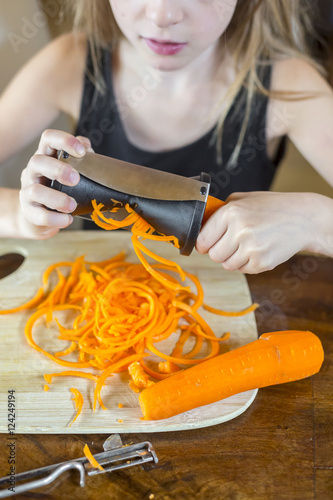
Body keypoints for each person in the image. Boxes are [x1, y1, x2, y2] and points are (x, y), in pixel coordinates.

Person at [0, 0, 333, 274]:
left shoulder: (289, 85)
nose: (161, 15)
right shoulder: (69, 62)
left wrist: (314, 221)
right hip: (101, 294)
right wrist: (20, 214)